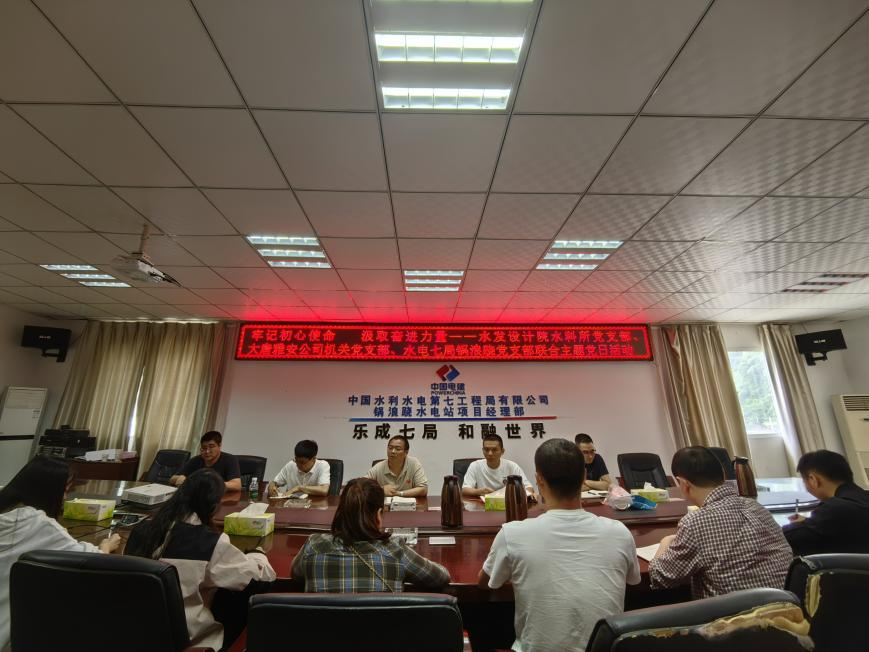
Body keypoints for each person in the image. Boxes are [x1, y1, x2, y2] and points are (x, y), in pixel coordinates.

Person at [478, 439, 640, 652]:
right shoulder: (619, 532)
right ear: (583, 476)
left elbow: (485, 583)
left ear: (539, 480)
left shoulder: (512, 534)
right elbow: (633, 580)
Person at [126, 468, 275, 652]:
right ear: (214, 506)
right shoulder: (208, 542)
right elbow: (259, 577)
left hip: (138, 635)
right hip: (189, 642)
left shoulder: (140, 530)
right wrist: (257, 554)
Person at [0, 456, 120, 652]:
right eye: (64, 491)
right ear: (50, 491)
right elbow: (93, 559)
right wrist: (107, 544)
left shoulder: (8, 510)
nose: (64, 498)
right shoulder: (38, 523)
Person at [649, 446, 792, 599]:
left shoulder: (694, 523)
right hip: (789, 607)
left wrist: (665, 542)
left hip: (737, 613)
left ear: (683, 483)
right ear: (723, 474)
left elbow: (659, 577)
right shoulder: (757, 507)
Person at [291, 477, 450, 592]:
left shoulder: (314, 545)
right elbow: (441, 578)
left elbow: (296, 575)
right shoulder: (395, 550)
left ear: (341, 511)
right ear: (378, 514)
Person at [783, 449, 869, 555]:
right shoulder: (856, 502)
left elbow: (783, 539)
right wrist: (808, 522)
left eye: (804, 482)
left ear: (813, 479)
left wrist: (803, 524)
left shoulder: (833, 510)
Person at [462, 434, 535, 499]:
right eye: (486, 449)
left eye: (494, 450)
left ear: (502, 451)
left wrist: (523, 493)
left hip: (508, 504)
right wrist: (478, 491)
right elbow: (464, 490)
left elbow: (529, 488)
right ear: (483, 450)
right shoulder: (475, 466)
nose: (490, 453)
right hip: (483, 505)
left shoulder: (512, 466)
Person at [170, 431, 241, 491]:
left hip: (221, 498)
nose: (207, 451)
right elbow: (172, 478)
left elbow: (237, 485)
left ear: (219, 445)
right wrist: (181, 479)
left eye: (211, 447)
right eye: (204, 448)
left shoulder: (230, 459)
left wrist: (211, 484)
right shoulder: (196, 460)